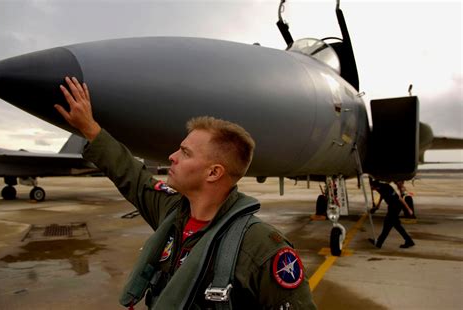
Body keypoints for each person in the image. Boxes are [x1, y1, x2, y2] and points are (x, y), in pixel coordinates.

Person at [55, 77, 317, 309]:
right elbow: (131, 176)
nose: (172, 157)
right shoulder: (172, 212)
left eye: (185, 152)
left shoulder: (262, 248)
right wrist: (89, 127)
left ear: (213, 173)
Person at [369, 180, 415, 249]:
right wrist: (378, 205)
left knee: (387, 224)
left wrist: (408, 209)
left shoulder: (387, 188)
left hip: (396, 207)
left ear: (375, 186)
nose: (371, 188)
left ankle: (379, 243)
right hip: (391, 206)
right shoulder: (379, 188)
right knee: (396, 225)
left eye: (372, 187)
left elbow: (399, 198)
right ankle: (409, 241)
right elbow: (382, 195)